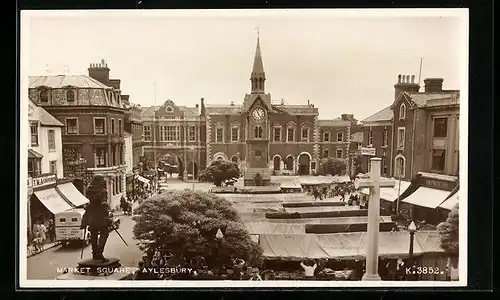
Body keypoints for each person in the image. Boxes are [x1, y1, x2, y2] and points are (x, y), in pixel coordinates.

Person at [80, 188, 112, 262]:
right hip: (100, 221)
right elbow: (105, 211)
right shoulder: (102, 191)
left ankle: (95, 253)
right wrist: (108, 220)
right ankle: (99, 252)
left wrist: (84, 223)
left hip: (92, 221)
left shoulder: (89, 190)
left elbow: (86, 214)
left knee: (94, 235)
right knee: (104, 233)